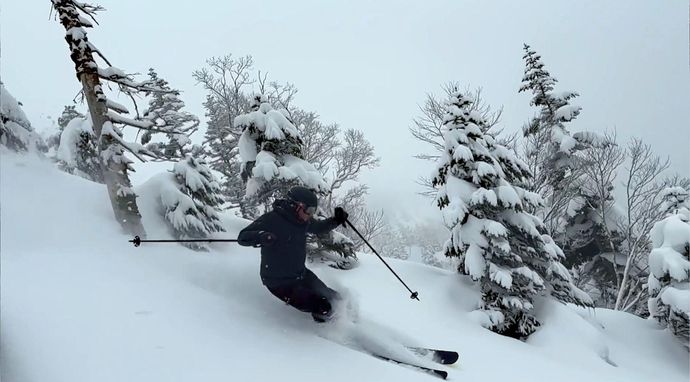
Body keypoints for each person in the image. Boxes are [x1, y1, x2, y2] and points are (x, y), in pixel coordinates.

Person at [237, 186, 349, 322]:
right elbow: (242, 237)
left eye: (312, 211)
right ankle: (329, 335)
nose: (310, 215)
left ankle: (353, 321)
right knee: (323, 306)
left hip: (300, 274)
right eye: (309, 210)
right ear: (295, 205)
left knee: (335, 298)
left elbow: (319, 227)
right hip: (279, 282)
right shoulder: (272, 220)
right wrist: (261, 236)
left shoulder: (302, 221)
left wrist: (336, 220)